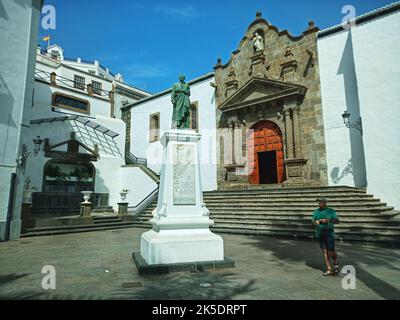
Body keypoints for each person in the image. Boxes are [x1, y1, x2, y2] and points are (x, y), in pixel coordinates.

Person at [312, 198, 340, 276]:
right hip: (320, 233)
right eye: (318, 202)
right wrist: (316, 222)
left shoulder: (331, 211)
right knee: (325, 251)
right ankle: (329, 269)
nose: (319, 203)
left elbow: (337, 221)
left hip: (329, 233)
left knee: (331, 251)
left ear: (325, 203)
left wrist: (329, 220)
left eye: (321, 202)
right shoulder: (316, 211)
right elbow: (313, 221)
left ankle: (335, 262)